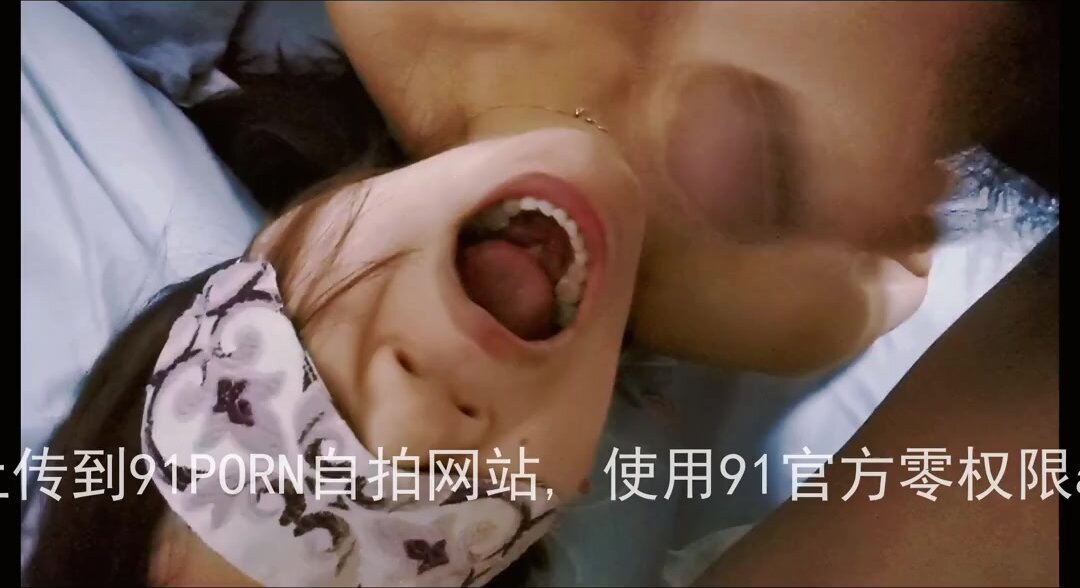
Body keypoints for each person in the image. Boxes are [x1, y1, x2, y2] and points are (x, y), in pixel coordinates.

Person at [26, 0, 1059, 585]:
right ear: (553, 506)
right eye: (419, 533)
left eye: (270, 421)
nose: (416, 422)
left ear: (272, 249)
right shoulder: (790, 300)